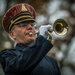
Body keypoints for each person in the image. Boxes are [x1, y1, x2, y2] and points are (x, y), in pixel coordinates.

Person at [0, 3, 61, 75]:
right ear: (12, 34)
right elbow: (20, 67)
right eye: (23, 24)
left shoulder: (52, 62)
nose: (30, 27)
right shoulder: (7, 55)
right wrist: (41, 40)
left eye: (32, 24)